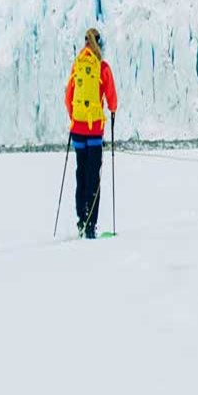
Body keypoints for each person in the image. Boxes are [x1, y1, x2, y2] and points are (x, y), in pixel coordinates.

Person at [64, 28, 118, 238]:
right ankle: (90, 224)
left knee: (81, 174)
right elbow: (112, 98)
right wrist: (112, 110)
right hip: (94, 130)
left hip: (78, 129)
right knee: (93, 177)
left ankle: (81, 219)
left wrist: (74, 118)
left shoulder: (77, 65)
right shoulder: (102, 67)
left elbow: (68, 97)